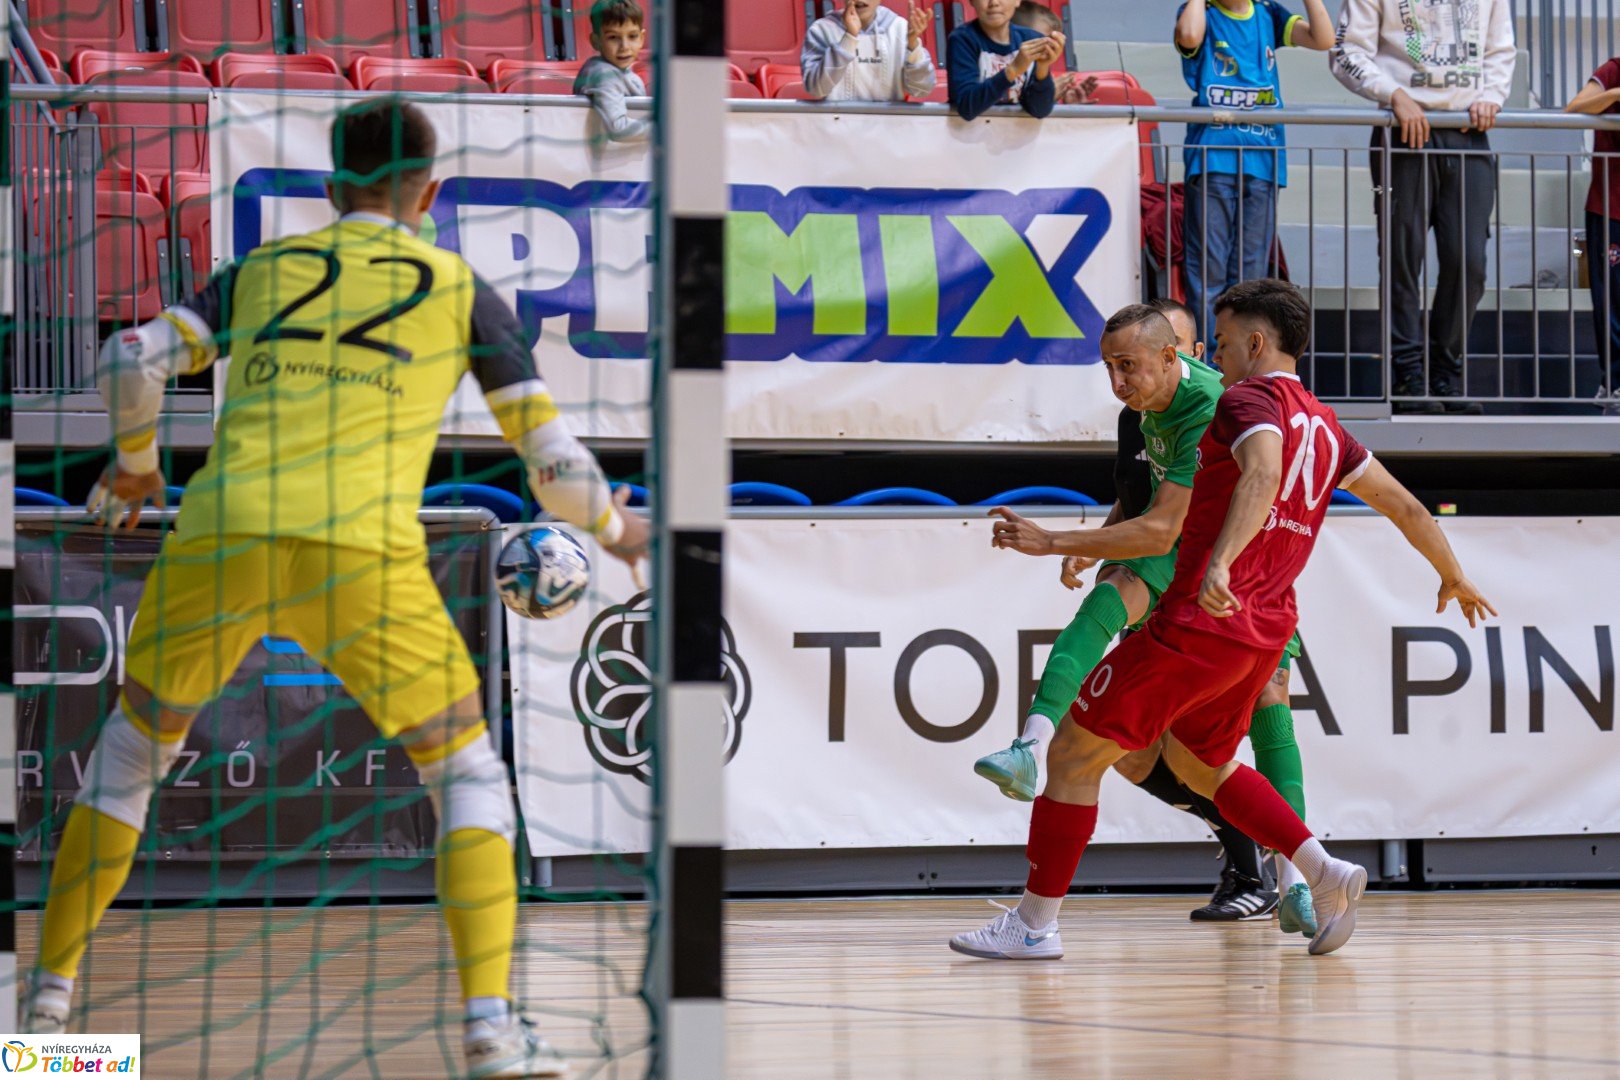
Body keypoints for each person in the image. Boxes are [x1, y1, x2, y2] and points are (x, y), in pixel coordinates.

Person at [27, 99, 647, 1079]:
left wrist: (139, 464)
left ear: (330, 186)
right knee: (468, 776)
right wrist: (617, 531)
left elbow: (128, 358)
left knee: (130, 756)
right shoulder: (459, 287)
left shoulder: (265, 271)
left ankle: (47, 1022)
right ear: (429, 193)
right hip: (363, 551)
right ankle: (490, 1030)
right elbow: (553, 465)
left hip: (224, 534)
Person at [952, 279, 1495, 960]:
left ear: (1256, 343)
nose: (1215, 353)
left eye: (1226, 339)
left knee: (1073, 753)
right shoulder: (1327, 427)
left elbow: (1260, 475)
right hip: (1266, 630)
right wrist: (1452, 574)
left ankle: (1035, 925)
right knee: (1201, 762)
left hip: (1203, 620)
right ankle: (1322, 872)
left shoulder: (1245, 400)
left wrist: (1215, 564)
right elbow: (1408, 507)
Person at [973, 299, 1308, 928]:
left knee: (1258, 707)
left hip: (1225, 571)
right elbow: (1141, 499)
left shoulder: (1222, 403)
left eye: (1131, 364)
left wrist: (1055, 542)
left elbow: (1168, 524)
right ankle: (1291, 866)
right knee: (1140, 754)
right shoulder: (1142, 412)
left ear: (1179, 355)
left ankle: (1294, 877)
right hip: (1187, 562)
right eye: (1110, 367)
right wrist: (1095, 539)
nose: (1118, 380)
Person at [1330, 0, 1515, 414]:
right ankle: (1408, 376)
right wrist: (1392, 94)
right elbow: (1345, 52)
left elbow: (1500, 49)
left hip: (1467, 131)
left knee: (1469, 261)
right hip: (1403, 129)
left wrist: (1492, 96)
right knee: (1402, 259)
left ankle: (1446, 374)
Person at [1175, 0, 1334, 340]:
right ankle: (1211, 370)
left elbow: (1323, 39)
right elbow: (1188, 36)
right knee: (1208, 271)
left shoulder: (1268, 13)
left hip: (1262, 161)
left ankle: (1242, 366)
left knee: (1251, 276)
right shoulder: (1202, 14)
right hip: (1212, 159)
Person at [1565, 64, 1620, 416]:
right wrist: (1616, 96)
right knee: (1612, 302)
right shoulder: (1614, 70)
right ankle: (1614, 383)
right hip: (1610, 207)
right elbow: (1574, 108)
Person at [802, 0, 937, 102]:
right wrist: (849, 38)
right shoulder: (821, 30)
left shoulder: (900, 28)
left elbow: (922, 90)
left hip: (889, 131)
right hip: (837, 130)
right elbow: (816, 89)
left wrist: (913, 45)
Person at [947, 0, 1061, 121]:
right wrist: (1012, 70)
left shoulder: (1032, 39)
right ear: (972, 1)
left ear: (1017, 2)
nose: (994, 3)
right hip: (967, 136)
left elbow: (1040, 110)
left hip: (1014, 136)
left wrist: (1042, 67)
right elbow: (966, 107)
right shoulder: (963, 40)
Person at [574, 0, 650, 143]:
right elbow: (619, 129)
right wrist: (664, 128)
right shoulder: (603, 75)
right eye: (613, 37)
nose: (624, 46)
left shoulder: (626, 74)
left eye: (632, 36)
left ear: (642, 38)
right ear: (595, 41)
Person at [1011, 2, 1096, 104]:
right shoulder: (995, 71)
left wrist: (1067, 106)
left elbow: (1036, 114)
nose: (1048, 51)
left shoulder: (1042, 76)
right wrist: (1043, 96)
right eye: (1039, 42)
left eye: (1053, 44)